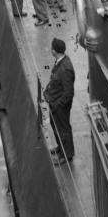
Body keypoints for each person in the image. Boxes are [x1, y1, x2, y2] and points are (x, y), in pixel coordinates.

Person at [44, 38, 75, 166]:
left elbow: (69, 92)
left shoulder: (65, 68)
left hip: (60, 106)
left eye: (51, 48)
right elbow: (55, 81)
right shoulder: (60, 62)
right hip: (55, 102)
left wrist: (57, 105)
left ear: (54, 51)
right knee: (56, 126)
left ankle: (66, 155)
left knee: (63, 129)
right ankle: (60, 148)